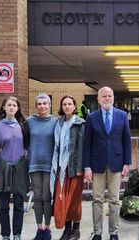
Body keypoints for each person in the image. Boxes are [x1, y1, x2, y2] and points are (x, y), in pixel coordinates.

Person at [83, 86, 132, 240]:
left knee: (114, 200)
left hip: (116, 164)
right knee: (97, 199)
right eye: (103, 96)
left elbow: (126, 141)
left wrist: (127, 163)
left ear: (113, 97)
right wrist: (87, 167)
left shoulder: (122, 115)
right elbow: (87, 144)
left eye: (109, 96)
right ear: (98, 99)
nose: (107, 98)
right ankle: (97, 232)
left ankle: (113, 232)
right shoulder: (92, 117)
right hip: (97, 165)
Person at [0, 96, 30, 240]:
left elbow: (29, 145)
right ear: (4, 108)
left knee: (19, 203)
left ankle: (17, 234)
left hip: (20, 167)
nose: (11, 107)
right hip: (3, 168)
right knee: (4, 205)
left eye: (14, 105)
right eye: (9, 105)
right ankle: (5, 235)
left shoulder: (23, 125)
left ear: (17, 108)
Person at [50, 95, 85, 240]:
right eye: (64, 104)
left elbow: (82, 147)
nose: (67, 106)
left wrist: (79, 168)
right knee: (62, 199)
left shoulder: (80, 123)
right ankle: (67, 229)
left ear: (75, 106)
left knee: (74, 200)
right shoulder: (58, 123)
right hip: (60, 168)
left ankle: (76, 230)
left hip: (74, 168)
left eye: (70, 104)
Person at [27, 93, 57, 240]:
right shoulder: (29, 121)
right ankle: (40, 229)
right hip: (34, 164)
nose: (42, 106)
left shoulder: (56, 122)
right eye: (39, 104)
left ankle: (47, 228)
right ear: (36, 106)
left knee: (47, 196)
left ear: (50, 104)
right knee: (37, 196)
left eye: (45, 103)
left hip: (50, 165)